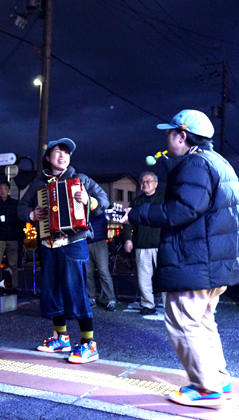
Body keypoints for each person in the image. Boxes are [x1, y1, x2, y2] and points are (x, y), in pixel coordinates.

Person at [123, 110, 238, 407]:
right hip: (214, 259)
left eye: (169, 133)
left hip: (194, 258)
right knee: (203, 322)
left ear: (182, 136)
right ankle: (219, 379)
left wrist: (136, 213)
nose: (166, 138)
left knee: (183, 321)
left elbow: (182, 210)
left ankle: (206, 388)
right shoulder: (219, 162)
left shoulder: (195, 164)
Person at [18, 138, 108, 364]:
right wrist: (31, 215)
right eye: (57, 151)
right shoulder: (38, 184)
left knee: (76, 291)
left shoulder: (81, 179)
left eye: (66, 152)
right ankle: (62, 338)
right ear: (48, 158)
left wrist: (89, 200)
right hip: (48, 244)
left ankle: (89, 343)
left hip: (74, 242)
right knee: (52, 291)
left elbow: (104, 201)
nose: (62, 156)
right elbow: (21, 207)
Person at [122, 172, 163, 315]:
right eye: (142, 181)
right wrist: (128, 239)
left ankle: (170, 305)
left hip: (161, 245)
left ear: (156, 184)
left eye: (148, 181)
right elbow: (128, 223)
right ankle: (148, 304)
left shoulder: (163, 199)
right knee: (143, 278)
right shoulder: (136, 202)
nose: (145, 184)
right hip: (142, 244)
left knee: (164, 276)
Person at [0, 181, 22, 290]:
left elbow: (19, 218)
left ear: (8, 190)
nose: (3, 191)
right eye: (0, 189)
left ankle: (13, 286)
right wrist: (0, 220)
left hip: (13, 236)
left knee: (13, 264)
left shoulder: (15, 203)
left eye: (5, 189)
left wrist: (8, 220)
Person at [86, 212, 116, 311]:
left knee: (103, 271)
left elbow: (98, 212)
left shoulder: (98, 203)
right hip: (86, 240)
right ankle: (91, 298)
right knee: (87, 272)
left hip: (99, 240)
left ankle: (110, 299)